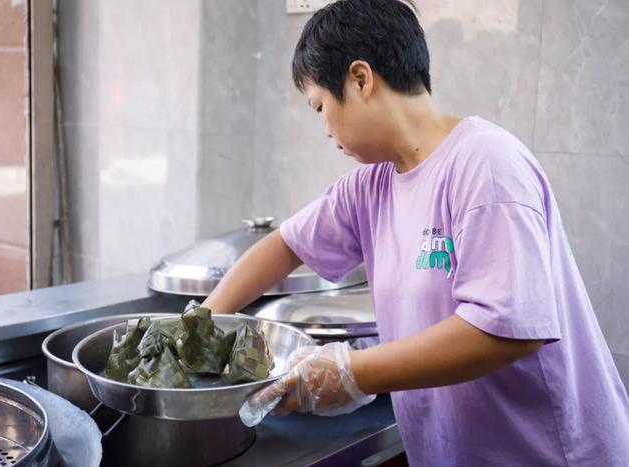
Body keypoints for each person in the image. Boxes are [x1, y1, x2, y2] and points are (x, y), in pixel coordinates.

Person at [202, 0, 629, 465]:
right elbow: (285, 244)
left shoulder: (486, 164)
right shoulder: (372, 184)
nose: (324, 128)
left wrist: (353, 371)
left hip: (544, 452)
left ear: (361, 79)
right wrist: (199, 322)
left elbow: (507, 331)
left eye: (320, 105)